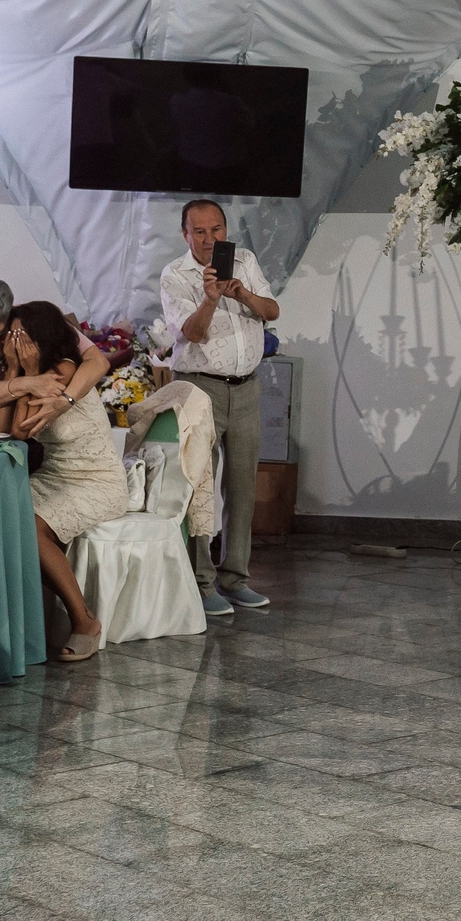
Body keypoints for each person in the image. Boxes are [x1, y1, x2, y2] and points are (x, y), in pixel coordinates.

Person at [0, 303, 127, 662]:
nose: (12, 343)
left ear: (41, 338)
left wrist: (26, 370)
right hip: (55, 476)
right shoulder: (33, 378)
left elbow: (22, 431)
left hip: (96, 480)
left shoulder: (64, 371)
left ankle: (84, 621)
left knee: (29, 527)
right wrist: (16, 374)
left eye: (20, 336)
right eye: (10, 336)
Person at [158, 200, 279, 617]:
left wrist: (240, 291)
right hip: (199, 388)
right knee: (200, 487)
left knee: (242, 488)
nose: (211, 240)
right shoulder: (175, 275)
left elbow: (272, 311)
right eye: (201, 232)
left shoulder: (243, 261)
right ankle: (201, 582)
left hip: (246, 388)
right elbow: (190, 334)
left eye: (217, 230)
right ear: (185, 234)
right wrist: (210, 298)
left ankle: (235, 579)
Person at [0, 277, 110, 434]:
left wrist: (66, 400)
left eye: (0, 335)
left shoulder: (36, 321)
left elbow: (97, 361)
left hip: (29, 414)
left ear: (10, 312)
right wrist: (29, 381)